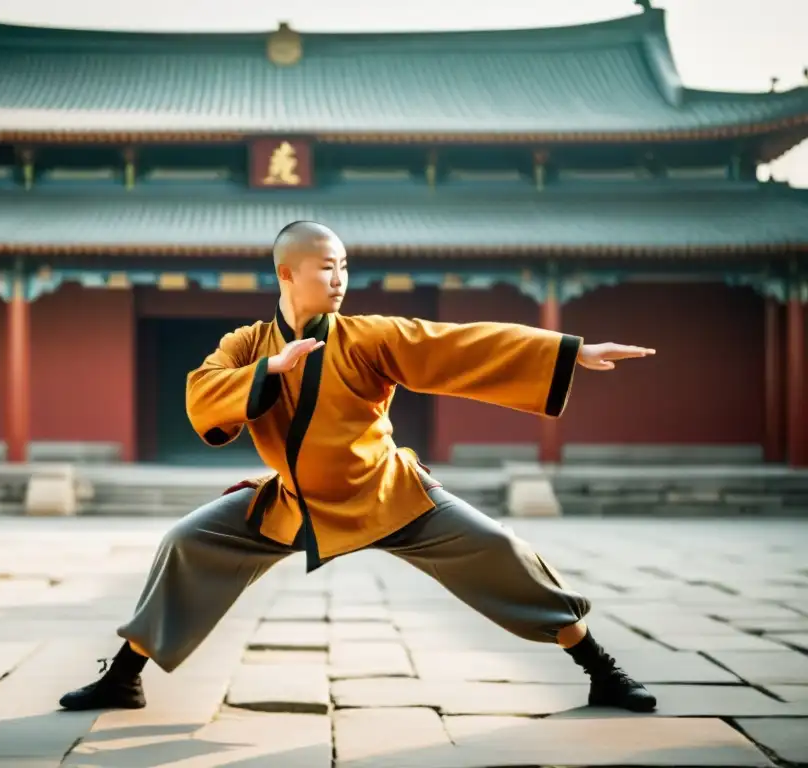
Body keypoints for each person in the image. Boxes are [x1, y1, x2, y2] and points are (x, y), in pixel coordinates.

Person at [59, 221, 658, 714]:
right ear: (286, 273)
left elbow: (455, 344)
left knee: (501, 552)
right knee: (188, 541)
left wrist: (572, 352)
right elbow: (203, 392)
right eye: (326, 265)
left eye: (345, 265)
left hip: (387, 494)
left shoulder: (367, 337)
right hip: (294, 500)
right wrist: (270, 372)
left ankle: (600, 669)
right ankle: (123, 677)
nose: (340, 278)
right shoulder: (247, 344)